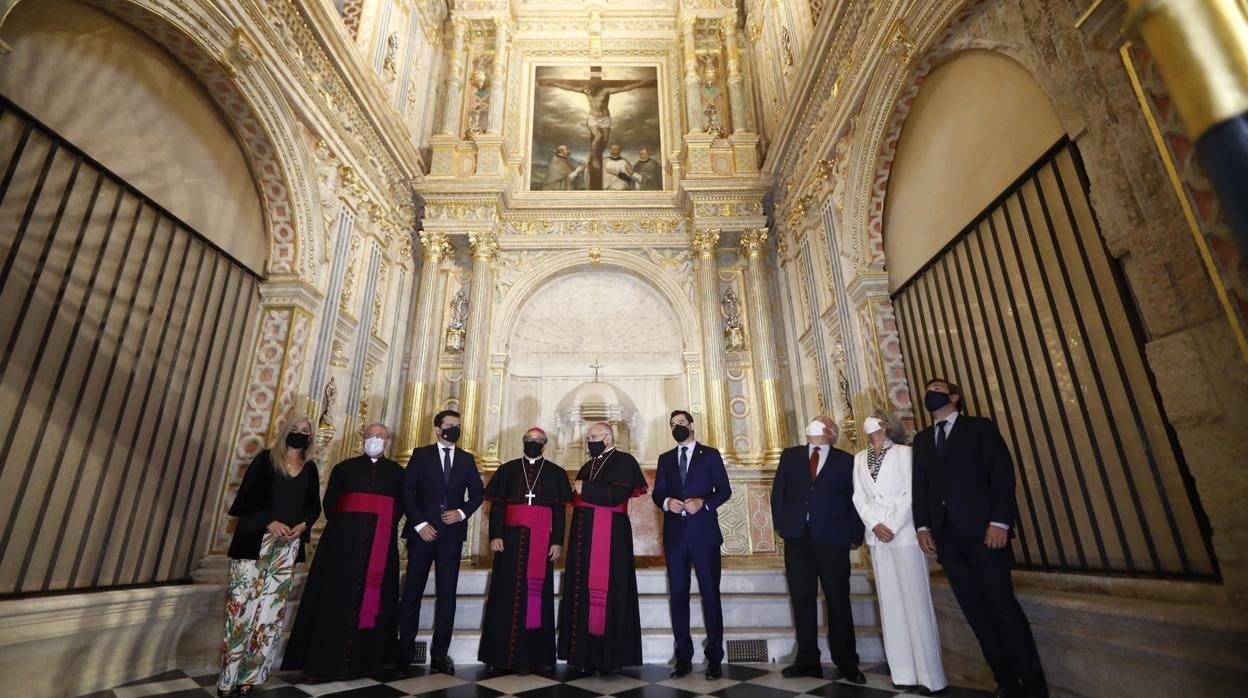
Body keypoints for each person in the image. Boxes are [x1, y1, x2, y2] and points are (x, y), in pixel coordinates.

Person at [913, 379, 1046, 698]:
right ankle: (1006, 681)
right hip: (947, 539)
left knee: (1002, 607)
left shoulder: (978, 428)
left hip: (984, 534)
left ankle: (1033, 685)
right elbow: (921, 486)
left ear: (954, 396)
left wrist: (1000, 522)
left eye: (937, 389)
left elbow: (1001, 474)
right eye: (928, 390)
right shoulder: (922, 439)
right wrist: (923, 527)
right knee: (975, 613)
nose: (930, 394)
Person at [282, 423, 404, 681]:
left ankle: (370, 661)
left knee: (376, 598)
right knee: (336, 594)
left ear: (388, 442)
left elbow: (400, 507)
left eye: (380, 436)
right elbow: (330, 505)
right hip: (342, 546)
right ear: (362, 438)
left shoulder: (397, 473)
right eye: (371, 435)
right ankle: (325, 660)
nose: (375, 439)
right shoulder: (344, 468)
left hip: (380, 546)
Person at [218, 416, 320, 697]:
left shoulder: (310, 468)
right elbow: (247, 498)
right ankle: (228, 677)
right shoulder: (265, 460)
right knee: (240, 610)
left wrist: (303, 524)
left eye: (305, 431)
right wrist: (269, 521)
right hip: (255, 543)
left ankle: (250, 676)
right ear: (285, 432)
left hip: (287, 547)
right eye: (295, 429)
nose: (299, 433)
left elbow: (313, 506)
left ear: (310, 438)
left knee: (270, 614)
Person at [852, 410, 947, 695]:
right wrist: (875, 524)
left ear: (887, 425)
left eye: (876, 416)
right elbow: (859, 496)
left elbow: (911, 492)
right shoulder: (860, 458)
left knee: (916, 602)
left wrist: (892, 525)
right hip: (877, 535)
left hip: (902, 532)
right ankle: (903, 672)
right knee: (890, 603)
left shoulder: (905, 453)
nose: (871, 420)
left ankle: (930, 676)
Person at [771, 415, 866, 684]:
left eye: (823, 422)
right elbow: (778, 493)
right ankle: (807, 660)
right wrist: (782, 526)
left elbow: (854, 498)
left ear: (832, 433)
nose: (817, 423)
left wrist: (855, 534)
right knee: (802, 599)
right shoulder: (790, 456)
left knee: (838, 599)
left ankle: (847, 662)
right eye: (814, 421)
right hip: (797, 537)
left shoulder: (846, 460)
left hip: (833, 539)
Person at [478, 428, 573, 675]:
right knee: (505, 593)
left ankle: (536, 657)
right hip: (509, 541)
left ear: (545, 445)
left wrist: (557, 541)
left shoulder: (555, 473)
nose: (533, 443)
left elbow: (559, 512)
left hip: (541, 541)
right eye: (529, 440)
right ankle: (499, 656)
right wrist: (495, 535)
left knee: (536, 594)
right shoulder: (508, 470)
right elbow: (497, 506)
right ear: (523, 442)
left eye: (537, 441)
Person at [557, 421, 648, 676]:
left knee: (610, 591)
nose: (590, 441)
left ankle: (609, 657)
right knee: (582, 592)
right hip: (583, 539)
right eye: (588, 438)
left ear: (608, 438)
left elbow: (616, 496)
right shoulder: (588, 466)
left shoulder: (625, 461)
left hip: (611, 537)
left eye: (594, 437)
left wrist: (584, 488)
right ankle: (584, 656)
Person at [398, 410, 484, 675]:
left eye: (458, 425)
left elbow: (478, 494)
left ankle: (440, 653)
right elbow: (407, 490)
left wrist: (461, 513)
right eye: (449, 425)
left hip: (451, 535)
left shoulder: (466, 459)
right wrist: (419, 524)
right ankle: (404, 652)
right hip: (422, 533)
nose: (454, 429)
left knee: (447, 594)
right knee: (412, 592)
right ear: (437, 429)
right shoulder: (421, 454)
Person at [652, 410, 731, 680]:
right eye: (673, 424)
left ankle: (714, 658)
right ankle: (683, 657)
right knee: (678, 596)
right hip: (676, 536)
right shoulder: (665, 459)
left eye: (681, 423)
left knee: (710, 594)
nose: (677, 427)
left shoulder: (710, 455)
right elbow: (658, 492)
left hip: (704, 534)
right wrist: (667, 502)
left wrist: (703, 503)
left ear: (692, 425)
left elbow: (724, 490)